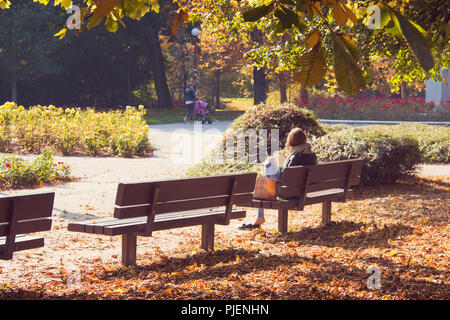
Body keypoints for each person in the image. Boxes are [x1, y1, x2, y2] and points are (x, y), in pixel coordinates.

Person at [239, 127, 317, 230]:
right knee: (272, 162)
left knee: (269, 162)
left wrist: (277, 170)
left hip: (288, 193)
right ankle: (260, 215)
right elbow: (290, 175)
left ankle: (260, 215)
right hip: (303, 191)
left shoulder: (295, 158)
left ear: (291, 142)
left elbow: (287, 178)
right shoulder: (312, 155)